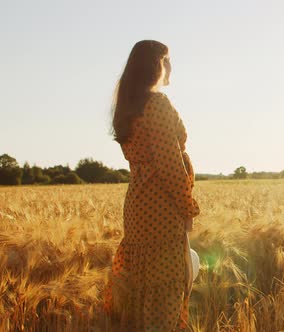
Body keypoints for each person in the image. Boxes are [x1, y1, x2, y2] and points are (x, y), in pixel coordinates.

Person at [103, 40, 201, 331]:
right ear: (154, 65)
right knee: (166, 281)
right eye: (166, 60)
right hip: (162, 204)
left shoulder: (129, 107)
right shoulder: (156, 104)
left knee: (142, 279)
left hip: (137, 205)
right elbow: (169, 163)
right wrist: (188, 207)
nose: (170, 67)